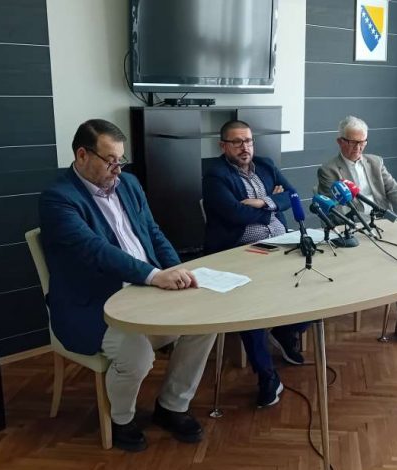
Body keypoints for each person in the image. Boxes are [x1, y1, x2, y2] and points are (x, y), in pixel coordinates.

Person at [39, 119, 216, 452]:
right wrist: (153, 275)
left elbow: (153, 232)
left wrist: (175, 269)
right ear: (82, 155)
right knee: (137, 355)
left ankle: (172, 405)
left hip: (145, 289)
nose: (117, 169)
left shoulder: (129, 184)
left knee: (206, 323)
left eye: (120, 159)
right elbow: (95, 250)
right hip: (92, 303)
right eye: (110, 160)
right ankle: (122, 419)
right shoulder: (57, 199)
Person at [202, 120, 309, 408]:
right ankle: (267, 376)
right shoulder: (215, 175)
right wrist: (273, 202)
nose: (244, 147)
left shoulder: (266, 165)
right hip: (240, 251)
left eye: (248, 141)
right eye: (236, 142)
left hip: (281, 245)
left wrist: (261, 203)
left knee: (317, 283)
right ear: (223, 145)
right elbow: (234, 215)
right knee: (250, 310)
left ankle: (286, 331)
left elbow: (293, 195)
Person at [317, 115, 397, 347]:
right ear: (340, 142)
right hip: (356, 229)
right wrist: (357, 223)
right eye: (353, 142)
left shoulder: (375, 162)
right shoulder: (329, 170)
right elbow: (335, 209)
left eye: (363, 142)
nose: (358, 148)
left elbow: (393, 188)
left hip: (383, 223)